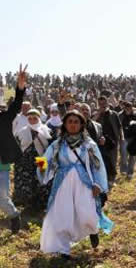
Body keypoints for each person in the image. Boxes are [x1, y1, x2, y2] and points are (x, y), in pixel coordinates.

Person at [39, 110, 113, 259]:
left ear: (81, 125)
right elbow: (44, 159)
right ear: (65, 125)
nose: (73, 125)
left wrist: (98, 183)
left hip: (84, 182)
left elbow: (97, 165)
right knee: (62, 215)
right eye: (70, 122)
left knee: (87, 213)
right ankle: (63, 250)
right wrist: (40, 167)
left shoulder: (89, 144)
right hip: (63, 184)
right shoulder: (57, 144)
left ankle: (93, 230)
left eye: (76, 122)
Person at [0, 64, 27, 233]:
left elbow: (17, 104)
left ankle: (14, 215)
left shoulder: (4, 118)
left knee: (2, 198)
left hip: (2, 165)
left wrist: (20, 86)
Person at [13, 109, 52, 210]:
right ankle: (28, 204)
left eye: (35, 118)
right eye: (30, 118)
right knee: (26, 181)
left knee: (42, 180)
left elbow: (50, 147)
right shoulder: (21, 131)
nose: (32, 120)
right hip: (25, 160)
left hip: (41, 159)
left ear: (39, 118)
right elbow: (17, 146)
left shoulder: (46, 131)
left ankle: (40, 204)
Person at [95, 95, 123, 188]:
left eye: (104, 103)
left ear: (107, 103)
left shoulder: (114, 114)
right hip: (101, 142)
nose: (102, 105)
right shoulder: (96, 114)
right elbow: (91, 123)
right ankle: (103, 179)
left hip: (113, 141)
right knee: (103, 161)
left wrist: (121, 138)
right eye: (100, 104)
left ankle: (111, 179)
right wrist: (98, 114)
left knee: (113, 160)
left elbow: (119, 127)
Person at [118, 101, 136, 179]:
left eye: (129, 108)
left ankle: (130, 172)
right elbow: (119, 126)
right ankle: (123, 169)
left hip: (134, 138)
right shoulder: (120, 115)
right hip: (124, 138)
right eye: (126, 108)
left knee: (133, 157)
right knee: (124, 155)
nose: (128, 110)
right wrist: (121, 137)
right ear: (124, 108)